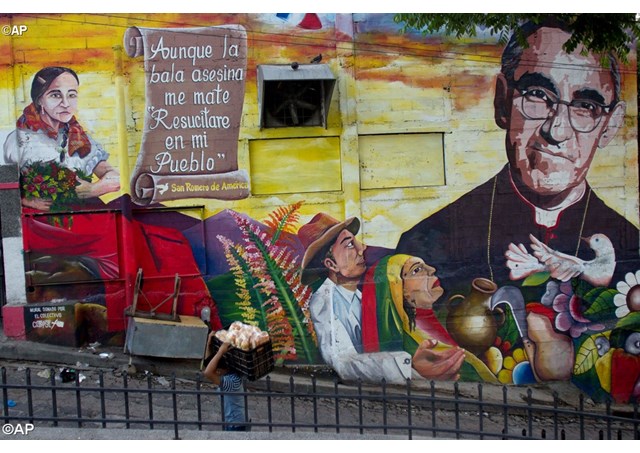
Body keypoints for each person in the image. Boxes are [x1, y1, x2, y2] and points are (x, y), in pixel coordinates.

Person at [396, 18, 639, 300]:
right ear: (502, 101)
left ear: (610, 125)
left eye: (586, 106)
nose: (557, 130)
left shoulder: (631, 246)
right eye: (538, 95)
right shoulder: (425, 245)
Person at [298, 212, 467, 384]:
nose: (361, 247)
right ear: (331, 264)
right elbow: (342, 362)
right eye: (349, 244)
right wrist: (409, 366)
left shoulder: (362, 296)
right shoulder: (324, 302)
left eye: (356, 240)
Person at [361, 254, 498, 383]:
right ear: (397, 291)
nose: (432, 270)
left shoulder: (428, 326)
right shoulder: (415, 346)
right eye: (417, 270)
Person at [3, 66, 120, 211]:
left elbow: (115, 178)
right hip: (42, 221)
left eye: (71, 95)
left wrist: (93, 189)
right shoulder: (19, 140)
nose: (66, 103)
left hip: (83, 213)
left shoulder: (79, 136)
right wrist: (26, 200)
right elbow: (5, 190)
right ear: (39, 100)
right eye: (55, 95)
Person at [202, 331, 250, 431]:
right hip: (230, 422)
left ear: (219, 371)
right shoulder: (229, 374)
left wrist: (220, 352)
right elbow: (209, 364)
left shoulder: (231, 381)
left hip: (237, 426)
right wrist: (208, 344)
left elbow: (208, 373)